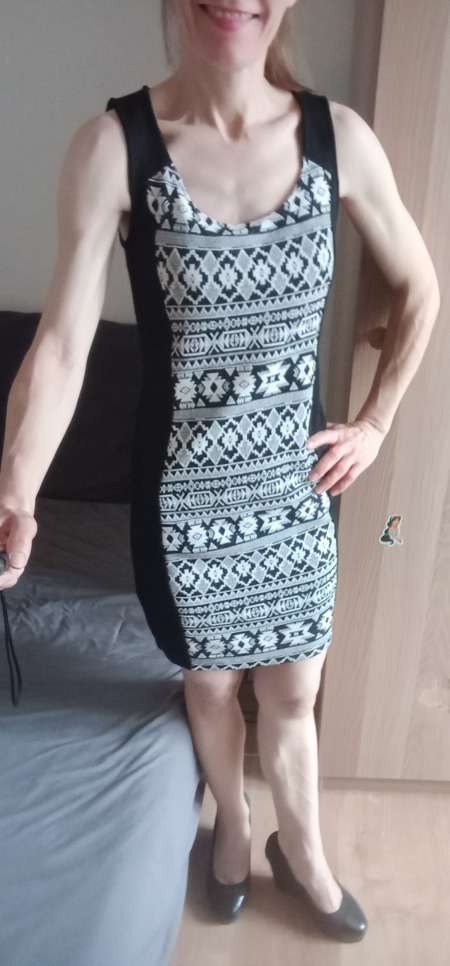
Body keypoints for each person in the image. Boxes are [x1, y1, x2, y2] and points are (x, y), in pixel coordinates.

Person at [0, 0, 440, 942]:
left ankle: (304, 850)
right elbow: (65, 345)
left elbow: (420, 287)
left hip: (296, 496)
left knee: (293, 694)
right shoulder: (114, 147)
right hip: (182, 505)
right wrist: (16, 492)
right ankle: (234, 828)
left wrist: (374, 421)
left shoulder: (339, 140)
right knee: (209, 688)